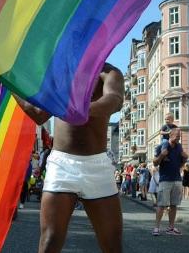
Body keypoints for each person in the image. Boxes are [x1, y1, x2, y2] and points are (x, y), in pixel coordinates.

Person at [14, 62, 124, 252]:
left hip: (97, 165)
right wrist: (9, 80)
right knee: (50, 240)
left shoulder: (108, 72)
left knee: (113, 244)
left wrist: (82, 110)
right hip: (62, 164)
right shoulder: (60, 76)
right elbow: (39, 114)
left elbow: (114, 100)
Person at [152, 128, 187, 236]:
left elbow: (179, 165)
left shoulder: (179, 148)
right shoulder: (161, 147)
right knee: (161, 205)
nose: (179, 138)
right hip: (165, 180)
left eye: (179, 136)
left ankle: (171, 227)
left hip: (177, 179)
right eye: (177, 136)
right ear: (171, 135)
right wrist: (162, 155)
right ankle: (156, 228)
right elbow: (155, 163)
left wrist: (185, 159)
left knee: (174, 205)